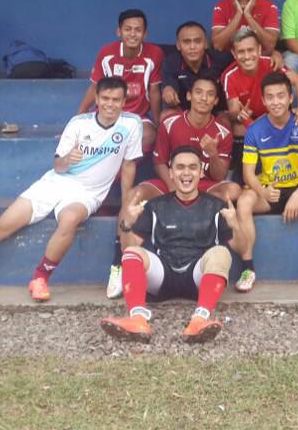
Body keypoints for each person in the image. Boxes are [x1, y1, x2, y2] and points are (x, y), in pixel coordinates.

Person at [0, 77, 142, 303]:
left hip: (89, 192)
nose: (110, 104)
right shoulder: (78, 123)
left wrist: (126, 205)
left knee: (69, 219)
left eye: (116, 100)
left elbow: (129, 166)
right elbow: (57, 165)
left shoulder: (132, 125)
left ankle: (40, 278)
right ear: (97, 99)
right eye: (105, 98)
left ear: (124, 102)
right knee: (2, 225)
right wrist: (67, 159)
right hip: (56, 182)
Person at [104, 76, 241, 299]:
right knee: (134, 194)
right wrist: (173, 188)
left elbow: (219, 175)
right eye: (199, 92)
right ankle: (117, 264)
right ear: (189, 95)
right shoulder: (171, 122)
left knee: (233, 191)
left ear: (216, 101)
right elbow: (159, 161)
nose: (203, 98)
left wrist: (213, 153)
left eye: (210, 95)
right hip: (170, 180)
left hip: (203, 184)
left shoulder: (221, 130)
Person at [100, 147, 243, 344]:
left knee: (221, 252)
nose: (186, 173)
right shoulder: (156, 205)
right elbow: (128, 248)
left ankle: (200, 319)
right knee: (133, 253)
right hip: (163, 275)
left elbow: (241, 248)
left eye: (193, 167)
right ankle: (137, 319)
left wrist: (235, 225)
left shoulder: (216, 206)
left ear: (201, 172)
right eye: (180, 167)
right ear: (171, 173)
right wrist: (127, 225)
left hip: (198, 276)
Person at [234, 72, 298, 293]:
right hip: (269, 191)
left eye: (281, 96)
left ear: (291, 98)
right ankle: (247, 269)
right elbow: (248, 173)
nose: (276, 102)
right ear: (263, 100)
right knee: (244, 202)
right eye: (270, 97)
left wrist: (297, 195)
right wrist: (262, 192)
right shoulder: (255, 129)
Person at [76, 9, 162, 154]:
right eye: (127, 29)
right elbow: (94, 86)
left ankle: (118, 162)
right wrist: (77, 119)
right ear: (119, 31)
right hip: (107, 111)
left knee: (149, 135)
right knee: (85, 137)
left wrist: (158, 124)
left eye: (138, 30)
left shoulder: (155, 53)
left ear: (145, 33)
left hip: (137, 116)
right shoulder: (106, 52)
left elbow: (154, 91)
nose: (133, 34)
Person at [221, 26, 298, 138]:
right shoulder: (230, 76)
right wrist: (240, 115)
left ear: (259, 50)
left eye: (250, 50)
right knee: (239, 128)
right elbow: (234, 111)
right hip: (251, 120)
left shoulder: (270, 64)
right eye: (241, 52)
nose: (247, 56)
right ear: (234, 54)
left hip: (275, 114)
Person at [161, 21, 232, 115]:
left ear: (205, 44)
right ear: (178, 45)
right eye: (187, 42)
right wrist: (168, 90)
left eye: (197, 41)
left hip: (215, 112)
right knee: (166, 114)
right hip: (184, 113)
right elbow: (169, 85)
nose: (192, 47)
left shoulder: (221, 60)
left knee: (226, 119)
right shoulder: (171, 62)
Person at [210, 0, 280, 53]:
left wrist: (248, 15)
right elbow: (218, 46)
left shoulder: (269, 6)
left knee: (276, 58)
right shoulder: (221, 6)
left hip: (258, 56)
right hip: (229, 56)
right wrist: (238, 14)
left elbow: (270, 45)